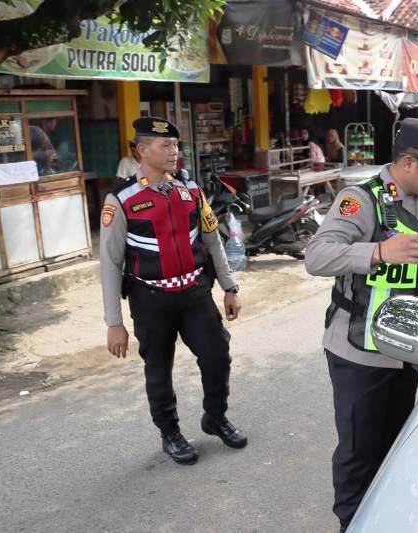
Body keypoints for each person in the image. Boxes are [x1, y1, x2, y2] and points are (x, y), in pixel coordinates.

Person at [305, 118, 418, 532]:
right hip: (359, 355)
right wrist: (377, 252)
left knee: (396, 447)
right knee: (359, 452)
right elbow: (317, 257)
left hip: (405, 352)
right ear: (409, 163)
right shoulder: (360, 200)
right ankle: (352, 525)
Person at [99, 117, 247, 465]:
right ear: (141, 151)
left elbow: (212, 241)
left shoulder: (190, 190)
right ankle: (170, 432)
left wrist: (229, 287)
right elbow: (108, 262)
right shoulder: (121, 199)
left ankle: (215, 417)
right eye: (165, 146)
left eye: (176, 145)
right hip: (150, 299)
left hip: (195, 293)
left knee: (216, 356)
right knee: (158, 369)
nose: (174, 152)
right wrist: (113, 322)